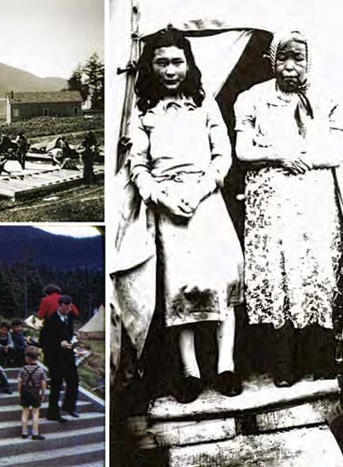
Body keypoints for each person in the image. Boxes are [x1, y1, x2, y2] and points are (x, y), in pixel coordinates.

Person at [111, 28, 244, 404]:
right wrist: (162, 197)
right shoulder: (143, 111)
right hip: (168, 205)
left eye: (177, 62)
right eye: (162, 62)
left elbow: (223, 154)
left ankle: (226, 366)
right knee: (180, 288)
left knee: (221, 282)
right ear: (151, 67)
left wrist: (202, 188)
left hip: (206, 199)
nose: (171, 70)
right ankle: (190, 372)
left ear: (189, 64)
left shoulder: (205, 105)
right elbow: (138, 164)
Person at [234, 30, 343, 387]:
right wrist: (278, 154)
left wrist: (305, 158)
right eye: (282, 58)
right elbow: (243, 151)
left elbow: (339, 150)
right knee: (279, 272)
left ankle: (320, 359)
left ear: (308, 60)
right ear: (272, 60)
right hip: (272, 202)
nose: (289, 66)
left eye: (297, 58)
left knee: (315, 271)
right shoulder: (252, 99)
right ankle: (284, 364)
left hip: (313, 199)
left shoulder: (327, 97)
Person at [39, 295, 79, 422]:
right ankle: (53, 413)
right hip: (55, 357)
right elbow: (43, 341)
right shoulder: (50, 320)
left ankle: (69, 406)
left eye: (69, 309)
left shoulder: (70, 317)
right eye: (65, 309)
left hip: (68, 355)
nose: (67, 311)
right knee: (56, 385)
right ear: (59, 306)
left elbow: (69, 332)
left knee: (74, 381)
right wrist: (59, 343)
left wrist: (73, 338)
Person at [18, 347, 47, 440]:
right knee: (35, 412)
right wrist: (42, 394)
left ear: (27, 357)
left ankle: (24, 432)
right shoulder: (40, 370)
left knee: (25, 412)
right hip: (35, 391)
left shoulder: (23, 369)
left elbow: (19, 382)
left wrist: (20, 394)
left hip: (25, 391)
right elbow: (43, 383)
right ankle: (35, 433)